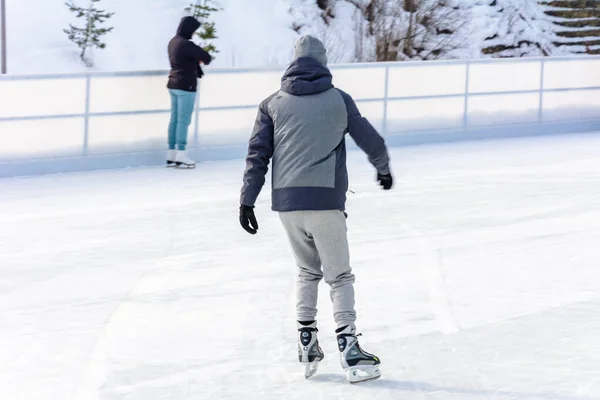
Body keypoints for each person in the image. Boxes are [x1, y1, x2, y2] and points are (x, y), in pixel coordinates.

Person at [238, 35, 393, 383]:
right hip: (325, 201)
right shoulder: (339, 99)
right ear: (323, 63)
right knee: (339, 275)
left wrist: (247, 200)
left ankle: (307, 341)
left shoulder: (272, 104)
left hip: (288, 204)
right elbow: (370, 139)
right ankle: (349, 346)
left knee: (307, 271)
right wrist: (382, 168)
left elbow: (257, 155)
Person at [166, 16, 212, 168]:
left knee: (174, 119)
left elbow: (183, 59)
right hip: (186, 86)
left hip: (173, 83)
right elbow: (206, 57)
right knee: (183, 121)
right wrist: (197, 60)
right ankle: (181, 153)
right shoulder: (186, 44)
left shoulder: (173, 41)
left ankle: (171, 153)